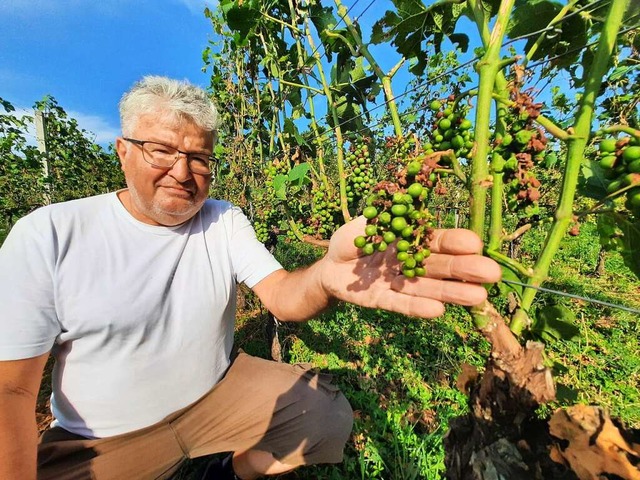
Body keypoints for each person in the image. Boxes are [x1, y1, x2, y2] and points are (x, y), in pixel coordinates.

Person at [0, 76, 501, 480]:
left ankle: (226, 470)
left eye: (199, 158)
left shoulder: (222, 218)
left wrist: (325, 276)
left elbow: (282, 295)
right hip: (107, 438)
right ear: (123, 150)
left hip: (215, 395)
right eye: (161, 151)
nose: (182, 171)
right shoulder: (50, 233)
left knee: (325, 416)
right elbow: (12, 392)